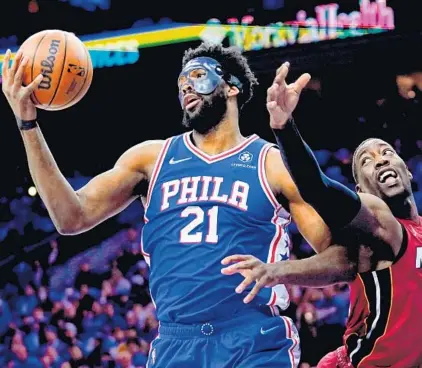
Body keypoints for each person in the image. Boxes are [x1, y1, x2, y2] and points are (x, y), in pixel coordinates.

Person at [2, 44, 333, 367]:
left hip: (252, 339)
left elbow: (340, 258)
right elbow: (70, 217)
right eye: (181, 83)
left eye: (198, 75)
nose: (187, 86)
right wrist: (28, 124)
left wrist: (279, 271)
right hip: (176, 343)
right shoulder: (151, 158)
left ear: (231, 87)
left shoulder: (271, 163)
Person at [221, 62, 422, 368]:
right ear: (360, 189)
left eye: (386, 153)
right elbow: (318, 189)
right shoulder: (381, 223)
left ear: (407, 169)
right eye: (367, 161)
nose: (380, 161)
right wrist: (284, 128)